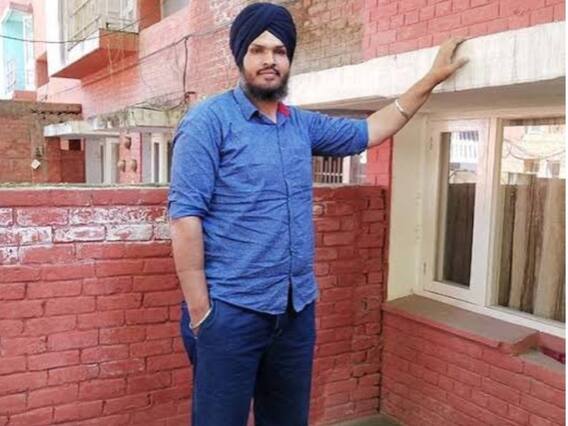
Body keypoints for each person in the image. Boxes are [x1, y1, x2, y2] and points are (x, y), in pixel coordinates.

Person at [168, 3, 468, 425]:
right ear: (240, 56)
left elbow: (370, 130)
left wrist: (430, 79)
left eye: (280, 51)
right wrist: (202, 312)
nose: (270, 60)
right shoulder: (207, 122)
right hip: (230, 310)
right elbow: (185, 218)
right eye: (258, 50)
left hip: (294, 311)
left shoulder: (300, 125)